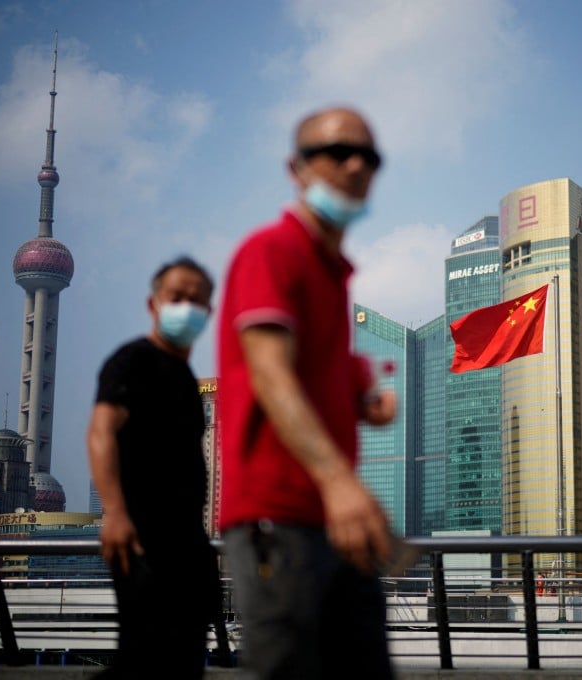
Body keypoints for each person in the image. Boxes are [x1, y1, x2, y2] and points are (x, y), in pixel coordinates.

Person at [217, 106, 398, 679]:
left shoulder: (333, 273)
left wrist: (363, 400)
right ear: (296, 168)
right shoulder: (270, 251)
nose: (354, 165)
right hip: (279, 521)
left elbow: (313, 372)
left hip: (336, 524)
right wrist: (340, 481)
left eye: (368, 156)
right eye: (336, 151)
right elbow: (270, 374)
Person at [87, 256, 222, 678]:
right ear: (153, 304)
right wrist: (116, 512)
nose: (187, 306)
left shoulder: (186, 377)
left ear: (209, 313)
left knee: (184, 661)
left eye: (197, 300)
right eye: (176, 296)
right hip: (143, 539)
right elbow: (101, 431)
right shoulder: (132, 361)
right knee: (144, 659)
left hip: (189, 543)